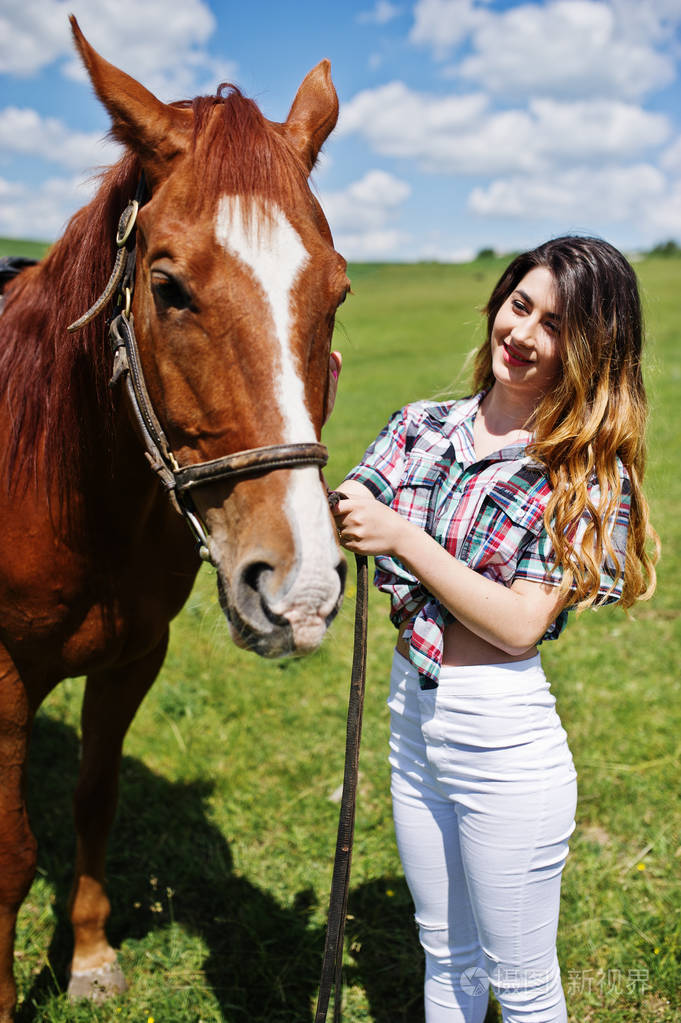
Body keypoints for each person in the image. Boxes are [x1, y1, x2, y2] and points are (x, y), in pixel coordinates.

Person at [328, 236, 658, 1023]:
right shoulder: (419, 426)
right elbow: (344, 517)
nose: (523, 334)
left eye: (554, 325)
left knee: (522, 984)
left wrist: (403, 538)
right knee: (443, 953)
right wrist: (310, 417)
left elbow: (517, 623)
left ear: (590, 351)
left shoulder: (582, 469)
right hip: (413, 718)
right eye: (519, 305)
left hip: (502, 746)